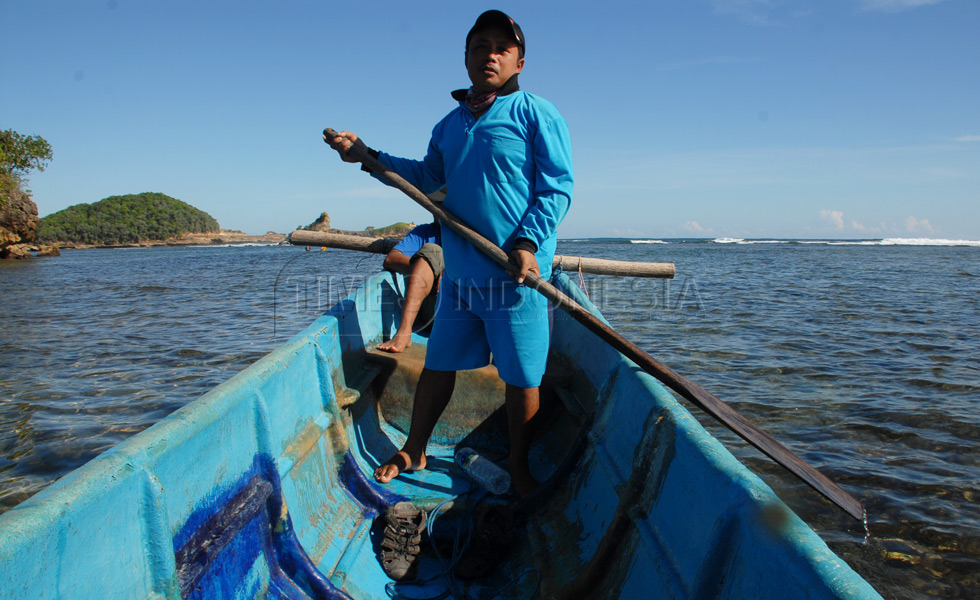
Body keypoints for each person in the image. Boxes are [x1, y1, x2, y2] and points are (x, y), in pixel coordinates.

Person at [325, 10, 573, 497]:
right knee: (438, 365)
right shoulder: (449, 125)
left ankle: (519, 467)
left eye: (503, 47)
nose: (491, 54)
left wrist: (526, 242)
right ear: (465, 58)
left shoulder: (537, 113)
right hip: (460, 274)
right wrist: (367, 157)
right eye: (480, 46)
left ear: (520, 60)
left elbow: (557, 188)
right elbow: (424, 178)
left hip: (515, 275)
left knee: (523, 380)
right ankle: (415, 447)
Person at [377, 221, 442, 353]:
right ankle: (404, 330)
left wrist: (451, 270)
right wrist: (429, 268)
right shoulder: (425, 232)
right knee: (432, 251)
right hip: (433, 311)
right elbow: (391, 259)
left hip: (464, 312)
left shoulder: (475, 233)